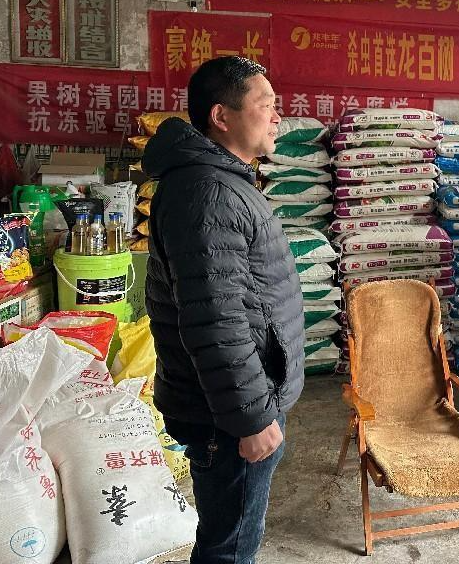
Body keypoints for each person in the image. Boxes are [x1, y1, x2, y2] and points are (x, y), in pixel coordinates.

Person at [144, 56, 304, 564]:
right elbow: (216, 320)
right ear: (221, 116)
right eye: (266, 105)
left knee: (232, 536)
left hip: (230, 405)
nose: (277, 117)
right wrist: (251, 418)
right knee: (229, 548)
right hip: (227, 417)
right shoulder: (209, 192)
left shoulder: (218, 182)